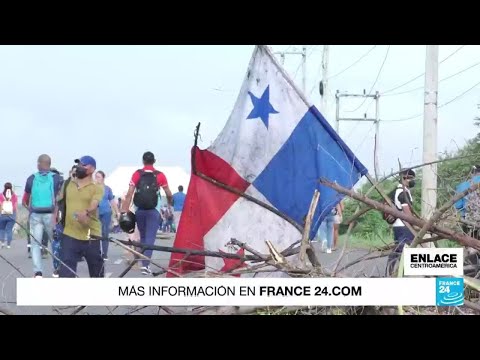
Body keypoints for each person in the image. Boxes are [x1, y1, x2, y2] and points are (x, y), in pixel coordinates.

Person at [121, 151, 173, 275]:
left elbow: (129, 193)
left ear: (143, 161)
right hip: (153, 210)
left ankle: (143, 262)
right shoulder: (160, 175)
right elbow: (168, 193)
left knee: (143, 237)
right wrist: (170, 204)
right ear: (154, 161)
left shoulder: (137, 174)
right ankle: (145, 265)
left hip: (140, 210)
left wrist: (124, 210)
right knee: (150, 237)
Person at [57, 156, 104, 278]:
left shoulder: (97, 187)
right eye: (79, 164)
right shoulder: (68, 184)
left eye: (83, 165)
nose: (80, 167)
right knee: (66, 272)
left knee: (96, 272)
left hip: (91, 235)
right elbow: (59, 201)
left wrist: (86, 211)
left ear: (92, 169)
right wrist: (55, 220)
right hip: (70, 233)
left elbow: (94, 203)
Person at [23, 154, 63, 278]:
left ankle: (38, 272)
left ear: (39, 164)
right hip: (51, 215)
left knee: (36, 244)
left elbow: (24, 200)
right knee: (55, 242)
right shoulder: (57, 179)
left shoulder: (31, 178)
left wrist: (30, 209)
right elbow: (61, 199)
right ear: (49, 164)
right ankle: (57, 269)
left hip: (35, 214)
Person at [386, 169, 417, 276]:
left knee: (398, 250)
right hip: (404, 226)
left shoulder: (398, 190)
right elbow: (407, 214)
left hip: (397, 226)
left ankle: (392, 272)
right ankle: (399, 273)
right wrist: (416, 223)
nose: (413, 181)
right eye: (411, 179)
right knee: (404, 250)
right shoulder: (402, 193)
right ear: (405, 178)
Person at [95, 171, 120, 261]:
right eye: (96, 177)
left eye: (98, 177)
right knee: (96, 233)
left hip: (106, 212)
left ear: (103, 178)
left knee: (105, 232)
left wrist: (117, 212)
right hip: (95, 213)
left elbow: (112, 201)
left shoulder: (107, 189)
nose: (96, 179)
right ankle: (96, 252)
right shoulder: (93, 188)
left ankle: (104, 253)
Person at [455, 165, 480, 239]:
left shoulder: (462, 186)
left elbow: (458, 206)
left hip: (468, 221)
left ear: (472, 174)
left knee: (471, 244)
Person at [0, 183, 18, 249]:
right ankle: (8, 245)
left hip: (3, 214)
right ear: (11, 187)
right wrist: (16, 215)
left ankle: (2, 243)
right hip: (12, 214)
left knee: (1, 229)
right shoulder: (14, 196)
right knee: (9, 229)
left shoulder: (1, 195)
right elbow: (15, 206)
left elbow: (0, 205)